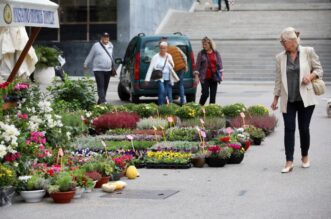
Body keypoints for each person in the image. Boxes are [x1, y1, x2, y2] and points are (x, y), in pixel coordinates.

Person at [271, 27, 323, 173]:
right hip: (288, 99)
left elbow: (319, 69)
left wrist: (310, 77)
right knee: (289, 129)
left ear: (292, 41)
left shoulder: (308, 51)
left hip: (306, 98)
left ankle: (305, 156)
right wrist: (275, 98)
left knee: (304, 128)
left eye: (284, 41)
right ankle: (289, 161)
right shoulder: (280, 57)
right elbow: (278, 80)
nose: (282, 44)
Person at [84, 32, 114, 104]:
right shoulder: (96, 45)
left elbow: (111, 56)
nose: (106, 38)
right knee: (100, 85)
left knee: (105, 87)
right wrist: (86, 63)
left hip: (108, 69)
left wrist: (113, 65)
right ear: (101, 38)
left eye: (107, 37)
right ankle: (103, 101)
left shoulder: (111, 45)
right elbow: (91, 55)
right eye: (104, 37)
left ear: (108, 38)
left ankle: (100, 102)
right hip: (98, 69)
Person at [194, 36, 223, 105]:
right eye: (203, 44)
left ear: (210, 44)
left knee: (213, 97)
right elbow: (197, 66)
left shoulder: (216, 53)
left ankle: (211, 111)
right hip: (204, 78)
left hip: (214, 77)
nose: (204, 46)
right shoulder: (201, 53)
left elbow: (220, 64)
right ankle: (199, 108)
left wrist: (221, 75)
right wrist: (196, 76)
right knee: (205, 94)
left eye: (206, 44)